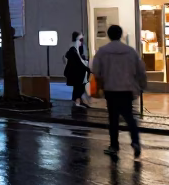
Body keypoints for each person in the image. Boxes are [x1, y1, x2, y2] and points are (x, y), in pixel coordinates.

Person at [90, 24, 147, 157]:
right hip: (126, 89)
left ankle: (114, 146)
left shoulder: (102, 51)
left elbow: (96, 71)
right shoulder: (130, 51)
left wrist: (100, 84)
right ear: (120, 35)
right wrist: (141, 86)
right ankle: (135, 141)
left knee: (113, 119)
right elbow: (140, 70)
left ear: (109, 35)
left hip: (111, 89)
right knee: (129, 117)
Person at [63, 31, 91, 108]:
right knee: (78, 88)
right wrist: (87, 68)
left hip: (79, 74)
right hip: (77, 74)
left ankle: (78, 102)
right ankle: (77, 103)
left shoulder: (76, 50)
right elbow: (78, 63)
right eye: (81, 40)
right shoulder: (73, 50)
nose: (82, 42)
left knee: (79, 88)